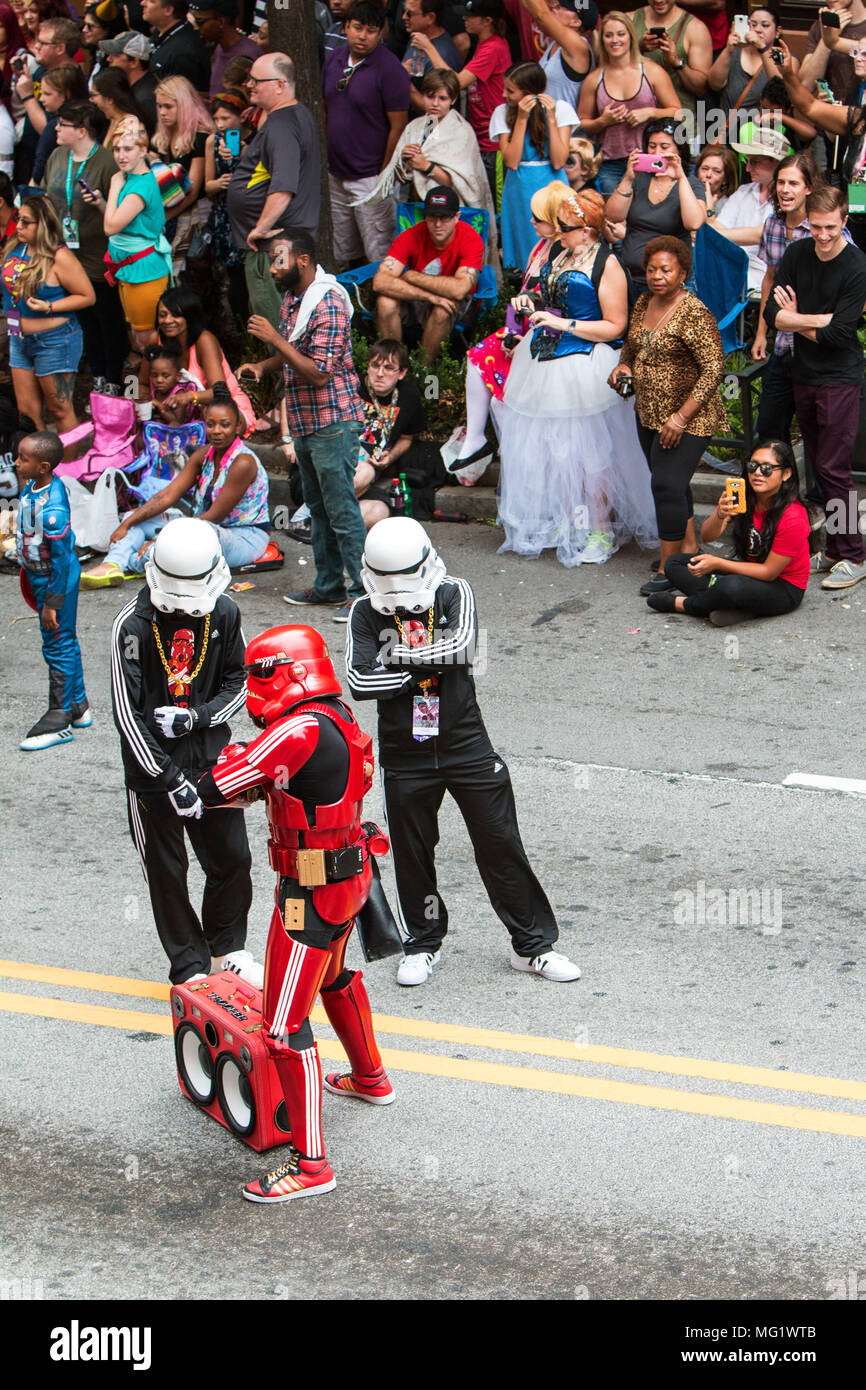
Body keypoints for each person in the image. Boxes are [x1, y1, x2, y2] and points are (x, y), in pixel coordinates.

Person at [197, 623, 395, 1202]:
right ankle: (369, 1078)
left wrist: (208, 769)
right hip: (350, 876)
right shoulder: (335, 714)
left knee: (283, 1028)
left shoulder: (299, 728)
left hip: (310, 889)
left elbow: (220, 784)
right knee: (333, 979)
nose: (254, 688)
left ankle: (311, 1166)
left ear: (284, 670)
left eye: (260, 674)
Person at [346, 515, 582, 987]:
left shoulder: (454, 591)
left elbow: (461, 647)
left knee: (500, 843)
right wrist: (423, 662)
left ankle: (533, 946)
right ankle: (423, 943)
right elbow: (359, 680)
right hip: (404, 752)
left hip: (465, 743)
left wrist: (397, 658)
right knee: (413, 853)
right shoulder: (363, 612)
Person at [109, 515, 259, 988]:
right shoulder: (131, 626)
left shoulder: (225, 613)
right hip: (153, 772)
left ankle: (226, 948)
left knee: (232, 859)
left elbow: (241, 680)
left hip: (213, 758)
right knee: (168, 873)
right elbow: (127, 715)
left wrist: (200, 717)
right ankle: (189, 967)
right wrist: (169, 778)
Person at [498, 187, 658, 566]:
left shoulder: (608, 264)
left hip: (586, 363)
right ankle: (573, 523)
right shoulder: (558, 253)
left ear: (587, 230)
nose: (558, 233)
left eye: (566, 227)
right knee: (555, 451)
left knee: (592, 455)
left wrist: (563, 323)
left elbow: (616, 325)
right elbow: (547, 297)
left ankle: (601, 529)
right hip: (543, 362)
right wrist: (530, 303)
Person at [239, 229, 367, 625]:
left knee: (342, 510)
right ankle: (329, 585)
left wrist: (274, 340)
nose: (272, 268)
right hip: (307, 423)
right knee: (318, 509)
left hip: (333, 420)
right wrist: (262, 366)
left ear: (304, 260)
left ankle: (365, 594)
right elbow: (295, 352)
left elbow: (318, 374)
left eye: (279, 259)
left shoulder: (327, 302)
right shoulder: (294, 298)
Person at [609, 234, 727, 594]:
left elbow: (713, 370)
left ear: (682, 272)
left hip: (689, 417)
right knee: (672, 484)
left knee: (666, 484)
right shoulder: (644, 302)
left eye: (666, 269)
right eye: (651, 269)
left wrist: (680, 417)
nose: (657, 275)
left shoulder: (695, 313)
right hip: (648, 414)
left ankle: (669, 567)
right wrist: (622, 368)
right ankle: (688, 548)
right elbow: (630, 349)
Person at [764, 183, 866, 590]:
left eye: (831, 228)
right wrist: (821, 319)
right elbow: (774, 314)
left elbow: (842, 335)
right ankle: (838, 550)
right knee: (816, 467)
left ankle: (855, 554)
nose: (823, 236)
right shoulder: (796, 253)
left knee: (834, 469)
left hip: (840, 377)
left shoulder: (857, 265)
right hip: (803, 373)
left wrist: (800, 317)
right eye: (817, 227)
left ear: (844, 221)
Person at [83, 383, 269, 584]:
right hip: (201, 525)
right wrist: (128, 523)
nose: (216, 431)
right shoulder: (203, 454)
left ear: (237, 427)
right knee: (134, 516)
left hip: (243, 537)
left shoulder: (243, 462)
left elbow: (216, 516)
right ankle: (112, 566)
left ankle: (131, 563)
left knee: (185, 539)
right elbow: (167, 495)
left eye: (225, 425)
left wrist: (162, 539)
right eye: (210, 424)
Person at [457, 178, 571, 469]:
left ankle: (519, 463)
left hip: (548, 335)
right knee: (477, 357)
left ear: (557, 221)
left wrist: (526, 340)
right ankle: (477, 439)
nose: (531, 220)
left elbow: (562, 308)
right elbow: (521, 297)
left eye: (539, 217)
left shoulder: (565, 255)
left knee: (501, 402)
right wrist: (511, 332)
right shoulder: (541, 247)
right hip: (523, 328)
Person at [649, 440, 811, 624]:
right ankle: (733, 605)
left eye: (767, 468)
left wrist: (718, 563)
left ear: (786, 473)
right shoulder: (742, 497)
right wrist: (720, 514)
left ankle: (688, 605)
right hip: (748, 575)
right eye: (752, 466)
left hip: (783, 588)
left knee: (731, 586)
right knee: (674, 563)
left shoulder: (794, 516)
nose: (758, 473)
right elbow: (708, 536)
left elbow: (768, 572)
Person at [751, 152, 850, 447]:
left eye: (793, 183)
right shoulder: (772, 226)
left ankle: (819, 495)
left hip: (820, 349)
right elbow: (769, 277)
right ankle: (781, 490)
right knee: (769, 428)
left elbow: (853, 282)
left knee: (819, 438)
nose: (784, 189)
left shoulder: (827, 229)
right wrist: (760, 333)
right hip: (783, 346)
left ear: (809, 188)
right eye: (781, 182)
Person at [365, 66, 499, 271]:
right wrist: (405, 158)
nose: (435, 103)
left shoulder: (462, 131)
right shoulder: (417, 126)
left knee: (449, 265)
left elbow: (462, 182)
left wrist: (426, 166)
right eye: (430, 96)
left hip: (450, 212)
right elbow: (400, 173)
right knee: (421, 262)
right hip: (421, 206)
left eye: (442, 98)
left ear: (453, 99)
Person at [226, 52, 319, 328]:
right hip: (285, 240)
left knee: (275, 318)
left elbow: (283, 186)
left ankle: (285, 371)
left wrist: (261, 229)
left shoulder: (282, 126)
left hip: (274, 243)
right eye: (249, 79)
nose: (249, 85)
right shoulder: (295, 116)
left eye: (257, 80)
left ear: (280, 85)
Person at [43, 97, 129, 394]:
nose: (56, 128)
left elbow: (121, 213)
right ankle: (98, 375)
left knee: (107, 317)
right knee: (86, 320)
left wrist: (101, 202)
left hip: (99, 255)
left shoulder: (106, 162)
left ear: (81, 131)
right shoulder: (57, 156)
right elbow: (47, 195)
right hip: (66, 254)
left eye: (63, 124)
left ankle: (117, 379)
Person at [15, 429, 91, 750]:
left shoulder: (54, 510)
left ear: (43, 466)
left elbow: (60, 562)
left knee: (57, 643)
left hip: (52, 581)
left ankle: (58, 716)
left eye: (24, 459)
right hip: (37, 575)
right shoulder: (34, 487)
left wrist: (52, 603)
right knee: (64, 640)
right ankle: (79, 706)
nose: (17, 463)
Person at [322, 1, 410, 267]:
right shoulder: (333, 58)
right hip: (336, 173)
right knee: (345, 251)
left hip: (371, 176)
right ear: (346, 27)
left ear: (381, 32)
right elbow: (326, 108)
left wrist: (384, 174)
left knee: (380, 253)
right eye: (357, 28)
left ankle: (381, 305)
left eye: (371, 30)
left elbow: (398, 125)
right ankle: (353, 305)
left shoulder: (390, 68)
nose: (362, 36)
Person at [1, 194, 94, 432]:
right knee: (28, 414)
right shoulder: (16, 247)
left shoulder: (59, 256)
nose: (18, 226)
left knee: (60, 411)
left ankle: (70, 468)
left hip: (55, 341)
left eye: (26, 222)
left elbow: (87, 296)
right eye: (18, 219)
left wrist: (50, 307)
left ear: (42, 224)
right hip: (19, 339)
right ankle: (41, 466)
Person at [85, 115, 170, 349]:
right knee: (136, 334)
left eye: (128, 149)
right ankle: (141, 384)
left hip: (144, 269)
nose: (121, 156)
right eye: (117, 149)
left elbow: (110, 227)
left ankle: (148, 386)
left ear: (143, 150)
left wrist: (113, 186)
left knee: (147, 339)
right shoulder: (129, 178)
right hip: (127, 265)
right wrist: (101, 202)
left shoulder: (138, 184)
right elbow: (121, 221)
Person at [372, 184, 484, 360]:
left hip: (453, 302)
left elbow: (459, 289)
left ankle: (423, 370)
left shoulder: (470, 238)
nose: (438, 224)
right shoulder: (411, 235)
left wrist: (412, 276)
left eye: (445, 217)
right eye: (432, 217)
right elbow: (380, 282)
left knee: (443, 309)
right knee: (385, 301)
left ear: (457, 217)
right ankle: (392, 363)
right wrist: (429, 296)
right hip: (419, 296)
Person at [578, 10, 681, 197]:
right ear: (602, 41)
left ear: (631, 37)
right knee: (612, 220)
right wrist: (603, 121)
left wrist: (650, 112)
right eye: (608, 35)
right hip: (609, 163)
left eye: (620, 34)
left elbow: (679, 113)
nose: (614, 40)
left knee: (646, 216)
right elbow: (582, 123)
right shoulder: (594, 79)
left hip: (648, 158)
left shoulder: (651, 71)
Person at [603, 117, 706, 295]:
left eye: (664, 147)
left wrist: (680, 177)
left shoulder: (691, 183)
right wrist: (628, 178)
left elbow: (694, 223)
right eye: (652, 146)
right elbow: (613, 215)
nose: (657, 151)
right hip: (631, 277)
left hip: (670, 282)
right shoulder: (639, 179)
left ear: (679, 149)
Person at [490, 61, 576, 269]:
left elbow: (558, 161)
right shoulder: (503, 112)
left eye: (510, 91)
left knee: (556, 237)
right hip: (519, 187)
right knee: (525, 241)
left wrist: (551, 119)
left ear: (527, 93)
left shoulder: (561, 108)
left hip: (552, 184)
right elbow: (511, 161)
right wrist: (521, 118)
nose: (504, 95)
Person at [421, 0, 510, 196]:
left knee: (495, 206)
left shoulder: (493, 47)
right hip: (480, 138)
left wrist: (428, 48)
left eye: (470, 16)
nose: (464, 19)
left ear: (487, 20)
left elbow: (456, 82)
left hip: (493, 144)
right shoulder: (484, 43)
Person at [140, 285, 256, 431]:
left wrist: (188, 397)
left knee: (211, 421)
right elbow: (143, 383)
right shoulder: (155, 340)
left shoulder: (204, 341)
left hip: (223, 408)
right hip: (173, 414)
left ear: (190, 317)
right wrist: (148, 405)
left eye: (176, 315)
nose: (167, 320)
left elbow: (220, 392)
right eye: (162, 315)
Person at [355, 337, 426, 527]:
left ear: (401, 373)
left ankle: (320, 521)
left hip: (369, 470)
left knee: (380, 512)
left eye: (388, 368)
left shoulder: (408, 396)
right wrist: (289, 440)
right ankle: (318, 516)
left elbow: (406, 438)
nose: (379, 374)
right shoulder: (351, 385)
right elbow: (292, 396)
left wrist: (390, 457)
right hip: (337, 463)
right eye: (375, 366)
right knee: (363, 473)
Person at [712, 122, 787, 296]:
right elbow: (720, 225)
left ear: (775, 163)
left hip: (765, 278)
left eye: (754, 162)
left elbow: (761, 233)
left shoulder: (787, 197)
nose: (747, 168)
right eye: (747, 161)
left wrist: (713, 235)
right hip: (732, 271)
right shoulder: (744, 191)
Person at [203, 87, 249, 325]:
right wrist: (218, 183)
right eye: (216, 119)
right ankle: (240, 327)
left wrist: (244, 155)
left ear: (241, 116)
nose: (220, 124)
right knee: (233, 278)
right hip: (225, 217)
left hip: (249, 217)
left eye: (225, 118)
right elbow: (207, 186)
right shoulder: (213, 142)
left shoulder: (254, 141)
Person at [627, 0, 712, 124]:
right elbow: (606, 70)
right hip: (634, 126)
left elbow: (701, 88)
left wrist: (676, 62)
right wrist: (637, 49)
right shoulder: (629, 21)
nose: (658, 0)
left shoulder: (695, 28)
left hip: (679, 128)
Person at [707, 7, 790, 117]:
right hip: (729, 130)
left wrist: (762, 47)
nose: (758, 30)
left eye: (765, 25)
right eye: (753, 25)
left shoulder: (785, 58)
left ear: (777, 32)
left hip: (765, 130)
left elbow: (781, 91)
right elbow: (714, 84)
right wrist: (728, 50)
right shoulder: (734, 53)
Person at [516, 0, 596, 110]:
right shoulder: (556, 43)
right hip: (545, 123)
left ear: (576, 22)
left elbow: (541, 14)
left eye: (561, 7)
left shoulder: (578, 45)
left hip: (564, 126)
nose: (554, 8)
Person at [30, 60, 88, 182]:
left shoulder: (54, 127)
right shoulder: (92, 117)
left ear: (66, 94)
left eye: (47, 94)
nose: (41, 99)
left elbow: (38, 172)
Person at [187, 0, 258, 97]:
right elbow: (216, 95)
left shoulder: (248, 54)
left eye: (200, 22)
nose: (196, 27)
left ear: (221, 22)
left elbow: (238, 105)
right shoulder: (220, 47)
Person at [402, 0, 461, 115]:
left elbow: (435, 111)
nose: (404, 17)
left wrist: (404, 81)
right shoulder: (418, 35)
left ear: (430, 18)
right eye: (404, 11)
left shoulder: (443, 55)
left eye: (410, 14)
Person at [142, 0, 210, 91]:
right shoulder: (160, 32)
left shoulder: (182, 52)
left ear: (168, 10)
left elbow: (182, 97)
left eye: (151, 1)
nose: (142, 3)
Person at [100, 29, 157, 130]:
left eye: (116, 55)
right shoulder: (133, 89)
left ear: (134, 62)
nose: (108, 59)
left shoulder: (145, 98)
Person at [92, 63, 149, 146]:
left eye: (94, 95)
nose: (92, 100)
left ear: (109, 99)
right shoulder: (107, 121)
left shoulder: (130, 126)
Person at [694, 141, 737, 218]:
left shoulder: (729, 206)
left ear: (725, 179)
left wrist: (709, 209)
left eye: (716, 171)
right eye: (705, 169)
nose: (708, 175)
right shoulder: (687, 196)